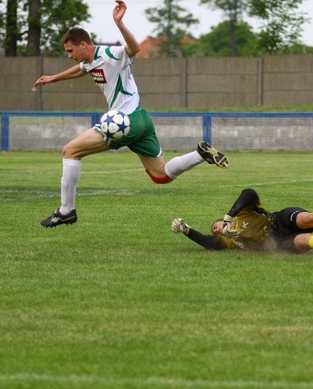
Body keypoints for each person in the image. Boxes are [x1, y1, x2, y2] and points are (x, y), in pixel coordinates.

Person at [33, 0, 229, 227]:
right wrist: (53, 78)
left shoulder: (111, 53)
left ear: (84, 44)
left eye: (70, 50)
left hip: (125, 121)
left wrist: (119, 23)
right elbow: (81, 69)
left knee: (70, 151)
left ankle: (67, 210)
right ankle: (200, 154)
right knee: (161, 175)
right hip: (142, 119)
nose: (69, 55)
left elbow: (134, 49)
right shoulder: (88, 61)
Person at [171, 188, 313, 254]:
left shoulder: (245, 213)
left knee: (309, 218)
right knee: (303, 242)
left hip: (278, 220)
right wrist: (186, 229)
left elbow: (247, 192)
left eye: (216, 225)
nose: (216, 229)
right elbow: (208, 243)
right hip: (275, 244)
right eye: (214, 230)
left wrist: (228, 219)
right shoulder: (226, 242)